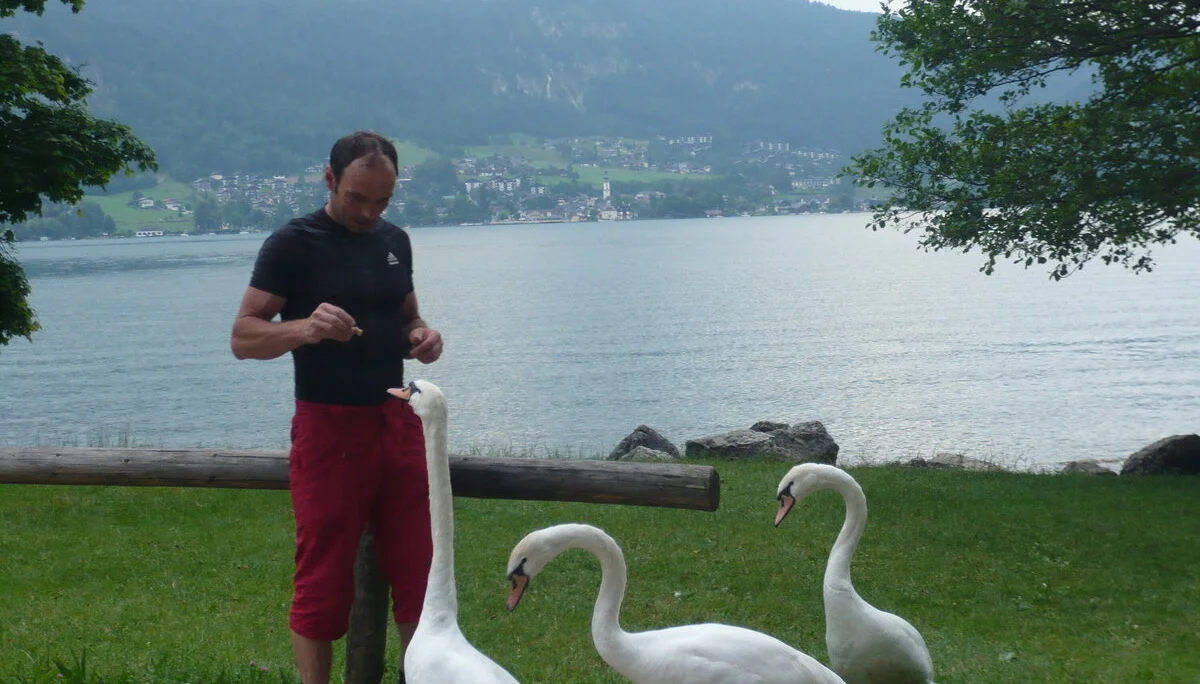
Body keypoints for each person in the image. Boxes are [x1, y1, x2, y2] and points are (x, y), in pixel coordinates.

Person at [230, 131, 443, 684]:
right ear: (329, 180)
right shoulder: (294, 244)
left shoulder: (394, 240)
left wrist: (422, 335)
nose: (369, 212)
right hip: (328, 429)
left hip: (398, 423)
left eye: (382, 201)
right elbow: (244, 337)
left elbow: (406, 318)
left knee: (422, 576)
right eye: (357, 198)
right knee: (324, 580)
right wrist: (304, 327)